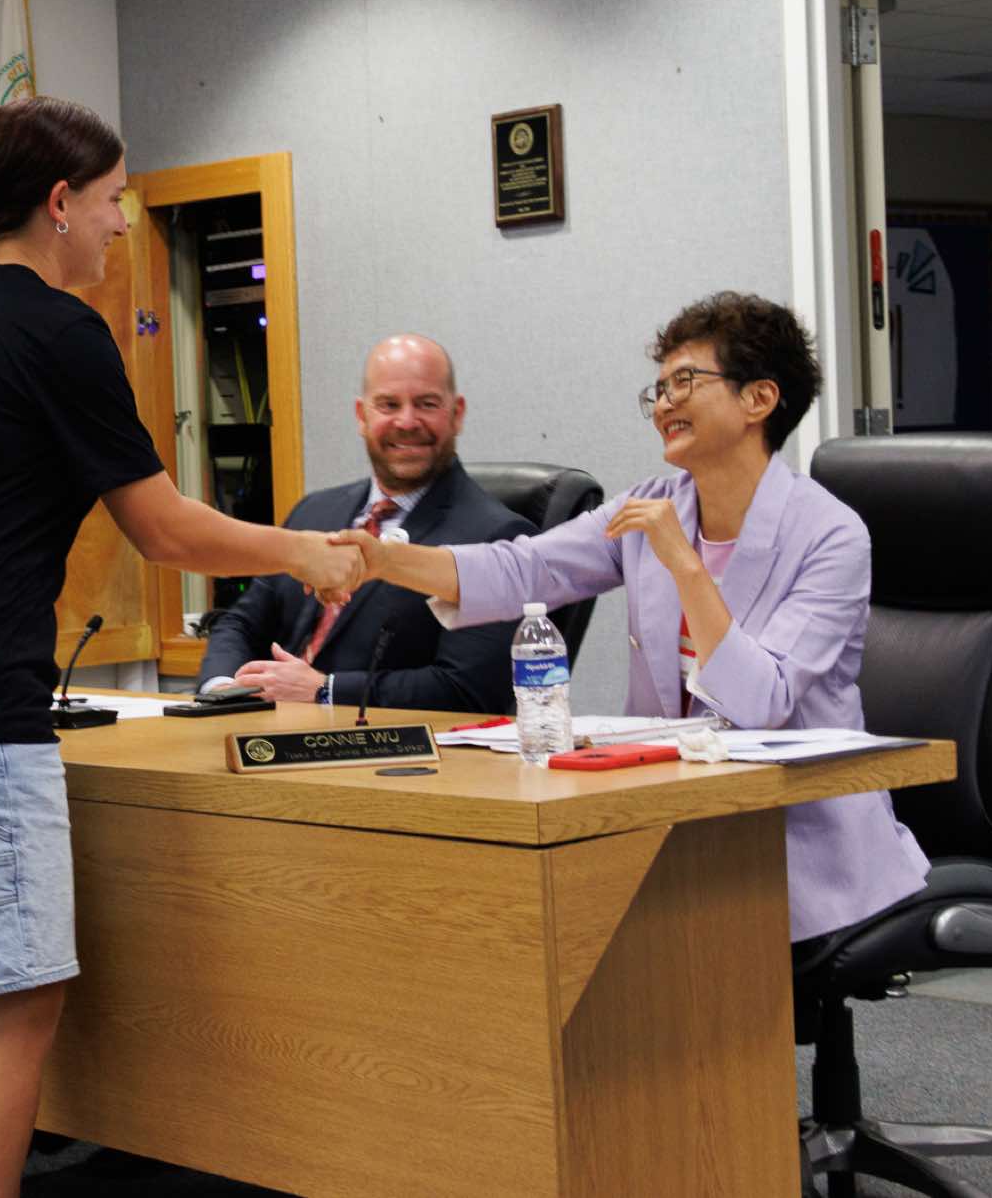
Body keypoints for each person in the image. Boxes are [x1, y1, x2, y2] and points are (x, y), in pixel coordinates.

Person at [0, 96, 361, 1198]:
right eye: (115, 200)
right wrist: (301, 551)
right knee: (11, 1010)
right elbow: (162, 528)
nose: (124, 223)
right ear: (60, 204)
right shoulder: (59, 330)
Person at [335, 291, 930, 945]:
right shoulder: (651, 505)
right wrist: (384, 560)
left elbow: (763, 701)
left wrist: (685, 563)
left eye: (686, 381)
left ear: (759, 399)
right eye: (660, 389)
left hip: (797, 845)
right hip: (667, 819)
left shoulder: (830, 535)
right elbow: (525, 569)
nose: (665, 403)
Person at [196, 333, 532, 712]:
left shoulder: (497, 539)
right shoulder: (313, 512)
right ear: (362, 415)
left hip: (392, 745)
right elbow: (240, 623)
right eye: (389, 404)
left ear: (457, 414)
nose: (407, 421)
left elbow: (468, 690)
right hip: (264, 731)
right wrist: (222, 689)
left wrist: (325, 690)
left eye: (427, 404)